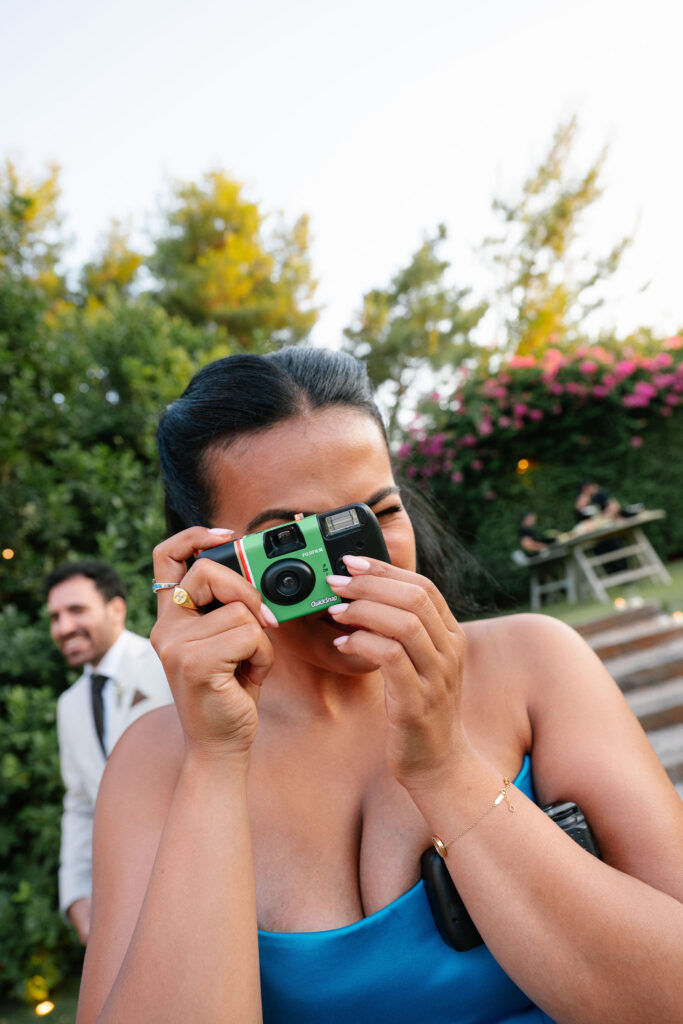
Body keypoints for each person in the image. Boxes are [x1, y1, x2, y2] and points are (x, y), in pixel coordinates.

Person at [77, 349, 683, 1024]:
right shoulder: (156, 764)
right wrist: (215, 764)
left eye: (376, 513)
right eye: (287, 537)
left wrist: (445, 768)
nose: (354, 563)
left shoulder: (534, 665)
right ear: (206, 561)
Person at [45, 560, 173, 945]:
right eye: (55, 617)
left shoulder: (167, 662)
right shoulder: (68, 706)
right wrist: (77, 896)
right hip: (123, 906)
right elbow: (82, 804)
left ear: (116, 608)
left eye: (76, 610)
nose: (63, 627)